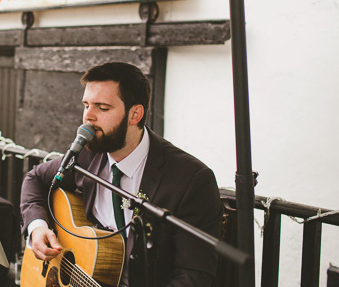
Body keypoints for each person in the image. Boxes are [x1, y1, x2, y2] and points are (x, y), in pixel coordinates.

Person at [20, 62, 223, 286]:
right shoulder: (88, 153)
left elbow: (195, 274)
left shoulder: (191, 180)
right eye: (86, 105)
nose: (88, 117)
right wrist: (37, 227)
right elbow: (35, 179)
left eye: (102, 108)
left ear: (135, 114)